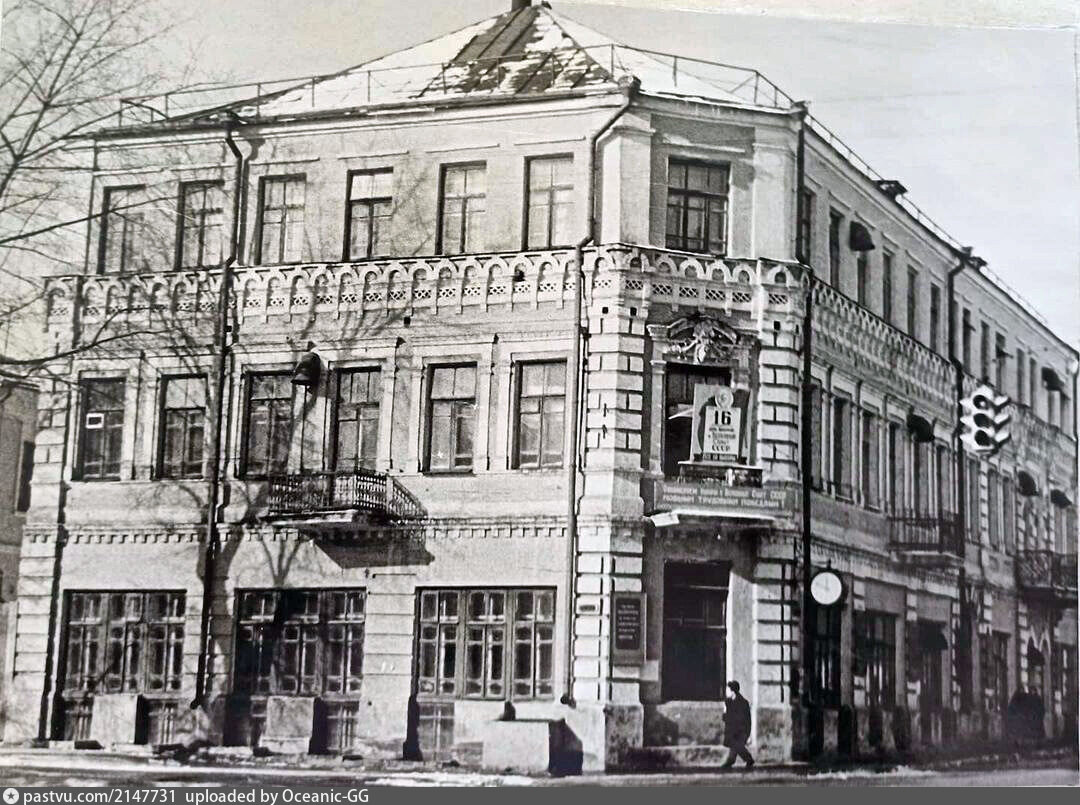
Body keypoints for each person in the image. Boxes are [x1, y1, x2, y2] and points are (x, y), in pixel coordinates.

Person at [722, 680, 755, 769]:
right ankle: (732, 760)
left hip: (741, 730)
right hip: (732, 730)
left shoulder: (743, 703)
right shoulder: (728, 702)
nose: (726, 692)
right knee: (735, 745)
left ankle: (747, 759)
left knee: (737, 745)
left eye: (728, 690)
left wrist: (748, 733)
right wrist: (725, 710)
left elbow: (746, 719)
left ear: (732, 691)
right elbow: (724, 718)